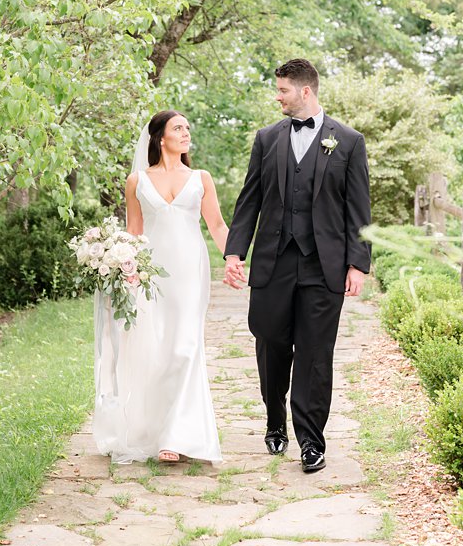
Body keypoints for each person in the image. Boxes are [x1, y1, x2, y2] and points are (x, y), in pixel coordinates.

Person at [223, 58, 372, 474]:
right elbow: (249, 199)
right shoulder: (267, 138)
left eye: (283, 90)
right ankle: (275, 420)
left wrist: (357, 264)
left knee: (315, 354)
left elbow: (359, 209)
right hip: (274, 262)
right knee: (270, 342)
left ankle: (311, 441)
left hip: (324, 266)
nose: (278, 97)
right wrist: (236, 252)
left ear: (305, 91)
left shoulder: (348, 140)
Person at [95, 110, 228, 465]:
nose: (186, 133)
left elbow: (216, 224)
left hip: (189, 271)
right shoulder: (137, 180)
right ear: (159, 138)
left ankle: (176, 436)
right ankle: (151, 430)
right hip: (151, 274)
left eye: (187, 127)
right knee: (155, 347)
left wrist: (236, 258)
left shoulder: (201, 178)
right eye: (178, 128)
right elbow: (134, 232)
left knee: (185, 346)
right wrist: (124, 270)